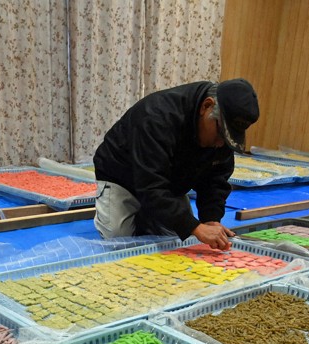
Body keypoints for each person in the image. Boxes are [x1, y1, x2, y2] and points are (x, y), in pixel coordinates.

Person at [92, 78, 259, 251]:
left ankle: (149, 217)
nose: (220, 143)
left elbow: (216, 180)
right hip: (122, 175)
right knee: (121, 243)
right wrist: (194, 227)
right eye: (220, 134)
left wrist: (211, 220)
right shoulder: (157, 117)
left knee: (177, 240)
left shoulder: (220, 138)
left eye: (227, 138)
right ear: (206, 106)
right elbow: (150, 185)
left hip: (170, 181)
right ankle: (116, 211)